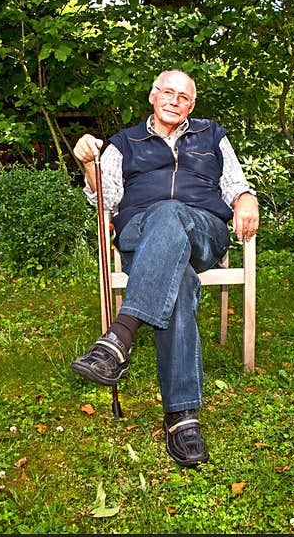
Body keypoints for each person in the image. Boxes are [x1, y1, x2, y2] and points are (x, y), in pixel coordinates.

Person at [71, 69, 259, 468]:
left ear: (192, 105)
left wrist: (246, 199)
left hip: (203, 230)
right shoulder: (125, 142)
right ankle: (183, 419)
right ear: (153, 97)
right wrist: (89, 163)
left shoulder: (212, 135)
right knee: (181, 280)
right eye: (167, 93)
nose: (174, 100)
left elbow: (235, 183)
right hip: (141, 231)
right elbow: (105, 201)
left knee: (172, 213)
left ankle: (119, 339)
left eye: (183, 97)